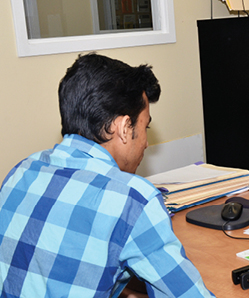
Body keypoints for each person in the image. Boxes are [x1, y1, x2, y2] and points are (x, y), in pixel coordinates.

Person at [0, 53, 215, 298]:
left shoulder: (21, 171)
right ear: (124, 128)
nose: (145, 143)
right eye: (145, 127)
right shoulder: (133, 199)